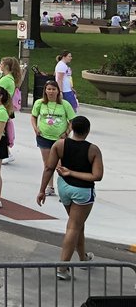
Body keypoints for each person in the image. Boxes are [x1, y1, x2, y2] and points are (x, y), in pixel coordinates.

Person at [37, 116, 102, 280]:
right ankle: (63, 268)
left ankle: (82, 259)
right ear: (88, 131)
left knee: (78, 225)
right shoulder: (93, 150)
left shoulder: (59, 144)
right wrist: (73, 173)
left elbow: (48, 168)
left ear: (71, 127)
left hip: (64, 188)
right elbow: (97, 176)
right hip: (82, 191)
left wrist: (42, 190)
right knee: (73, 227)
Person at [32, 80, 77, 195]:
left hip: (60, 139)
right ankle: (49, 187)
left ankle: (65, 188)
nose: (51, 91)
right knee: (48, 164)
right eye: (49, 89)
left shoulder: (64, 104)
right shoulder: (39, 103)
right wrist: (36, 128)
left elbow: (72, 121)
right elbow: (33, 117)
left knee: (60, 165)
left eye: (53, 89)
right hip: (44, 138)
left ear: (58, 91)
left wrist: (67, 132)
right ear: (45, 91)